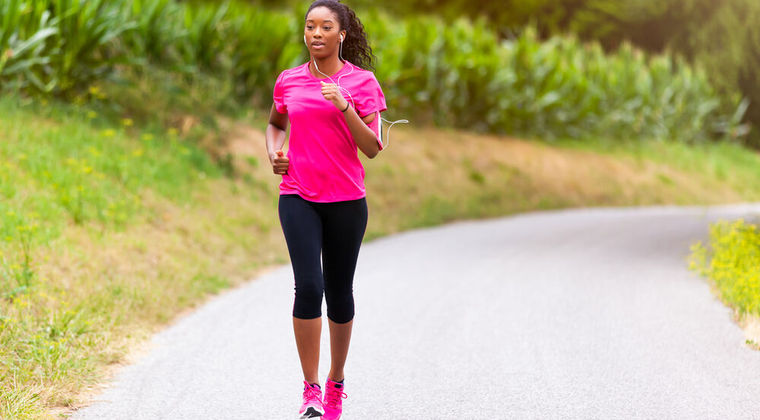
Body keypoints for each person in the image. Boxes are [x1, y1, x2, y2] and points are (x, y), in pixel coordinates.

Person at [265, 1, 387, 418]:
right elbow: (276, 124)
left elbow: (372, 148)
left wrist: (345, 106)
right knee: (309, 287)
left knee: (339, 293)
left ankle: (336, 383)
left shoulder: (362, 82)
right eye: (310, 26)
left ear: (342, 35)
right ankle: (310, 389)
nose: (316, 33)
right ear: (304, 34)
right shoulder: (289, 80)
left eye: (326, 27)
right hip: (297, 194)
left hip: (347, 201)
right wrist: (273, 154)